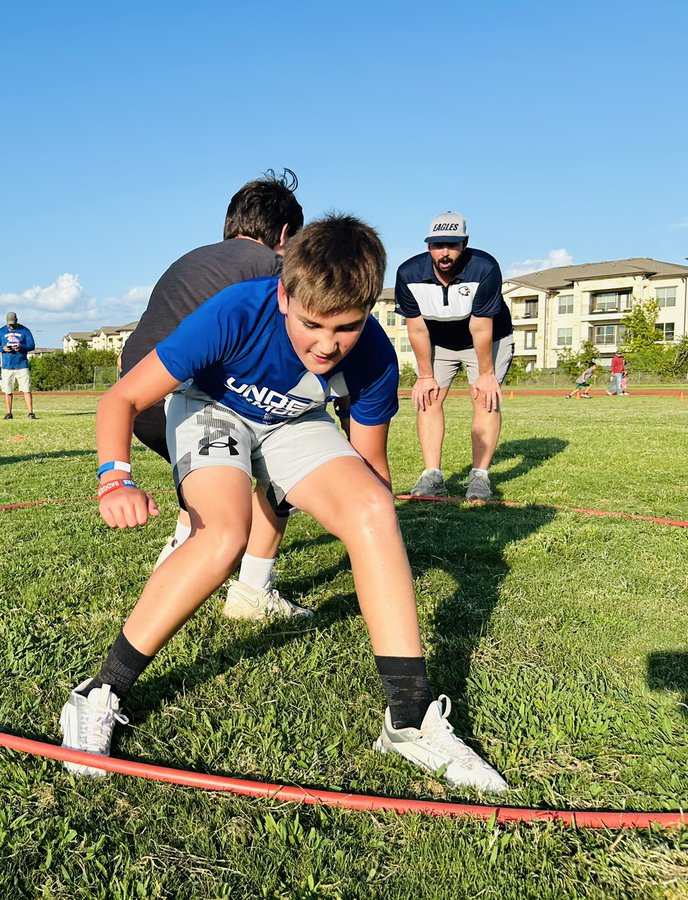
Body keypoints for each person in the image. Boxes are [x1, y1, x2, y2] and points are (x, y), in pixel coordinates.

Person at [59, 215, 509, 793]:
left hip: (292, 421)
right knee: (224, 534)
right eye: (312, 325)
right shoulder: (235, 312)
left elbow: (369, 464)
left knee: (373, 509)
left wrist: (371, 529)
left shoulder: (372, 356)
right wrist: (114, 479)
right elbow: (120, 398)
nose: (327, 345)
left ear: (370, 310)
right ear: (283, 294)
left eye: (346, 327)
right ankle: (101, 691)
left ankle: (408, 718)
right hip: (211, 408)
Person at [118, 170, 309, 618]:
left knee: (207, 487)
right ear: (285, 234)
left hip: (139, 396)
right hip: (187, 397)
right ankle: (252, 590)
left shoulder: (188, 260)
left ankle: (171, 571)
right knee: (280, 462)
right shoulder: (272, 269)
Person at [395, 212, 513, 501]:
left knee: (485, 399)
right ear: (428, 247)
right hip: (439, 339)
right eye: (437, 245)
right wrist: (425, 376)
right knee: (429, 397)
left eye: (452, 244)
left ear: (465, 244)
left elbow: (480, 326)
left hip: (487, 337)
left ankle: (479, 477)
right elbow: (418, 329)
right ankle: (432, 475)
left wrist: (486, 375)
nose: (444, 252)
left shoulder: (485, 268)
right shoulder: (408, 274)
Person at [0, 311, 36, 419]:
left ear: (16, 321)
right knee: (7, 390)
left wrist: (21, 347)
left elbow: (31, 345)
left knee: (26, 389)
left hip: (22, 365)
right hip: (7, 366)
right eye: (9, 324)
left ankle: (30, 413)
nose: (11, 326)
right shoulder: (1, 331)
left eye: (13, 324)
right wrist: (3, 349)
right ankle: (9, 413)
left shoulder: (25, 331)